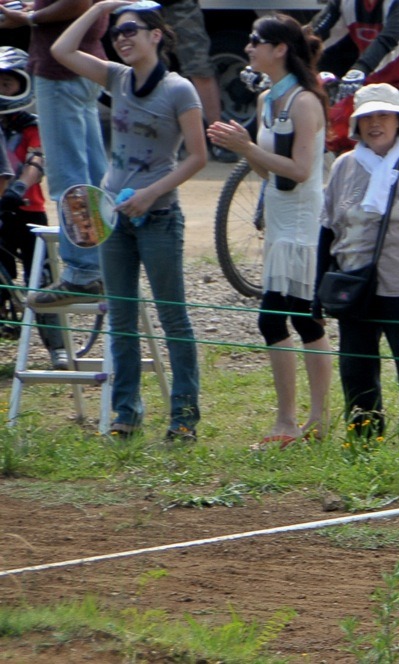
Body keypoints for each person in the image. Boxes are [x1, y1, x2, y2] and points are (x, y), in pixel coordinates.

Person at [52, 0, 207, 442]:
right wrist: (101, 6)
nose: (121, 38)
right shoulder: (116, 78)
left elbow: (198, 156)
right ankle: (126, 414)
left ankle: (183, 418)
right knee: (120, 319)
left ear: (156, 35)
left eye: (131, 30)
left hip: (159, 218)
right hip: (113, 221)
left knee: (173, 318)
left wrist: (151, 193)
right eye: (116, 32)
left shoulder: (179, 90)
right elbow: (63, 51)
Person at [207, 14, 332, 448]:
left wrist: (247, 147)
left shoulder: (304, 102)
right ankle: (298, 420)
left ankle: (300, 420)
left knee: (285, 317)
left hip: (301, 222)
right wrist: (243, 147)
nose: (248, 48)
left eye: (256, 41)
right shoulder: (267, 100)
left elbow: (300, 170)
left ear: (280, 49)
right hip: (278, 219)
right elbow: (263, 169)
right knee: (296, 317)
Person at [317, 83, 399, 434]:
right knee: (356, 368)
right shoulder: (344, 166)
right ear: (357, 125)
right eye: (367, 117)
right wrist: (316, 295)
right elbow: (327, 231)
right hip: (354, 287)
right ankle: (365, 440)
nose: (375, 123)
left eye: (383, 115)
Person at [0, 0, 108, 310]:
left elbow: (75, 2)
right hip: (81, 65)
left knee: (69, 177)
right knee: (91, 173)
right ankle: (101, 263)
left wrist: (29, 16)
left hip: (62, 72)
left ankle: (84, 272)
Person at [0, 46, 69, 369]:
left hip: (28, 213)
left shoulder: (32, 125)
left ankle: (57, 347)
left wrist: (17, 188)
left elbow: (36, 160)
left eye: (7, 84)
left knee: (41, 281)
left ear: (23, 85)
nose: (2, 90)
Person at [309, 0, 399, 135]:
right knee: (333, 137)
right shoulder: (345, 3)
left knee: (387, 146)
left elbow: (390, 42)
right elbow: (314, 36)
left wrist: (360, 69)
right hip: (369, 92)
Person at [159, 0, 237, 162]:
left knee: (200, 69)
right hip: (143, 7)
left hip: (179, 5)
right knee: (152, 68)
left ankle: (218, 137)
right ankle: (163, 137)